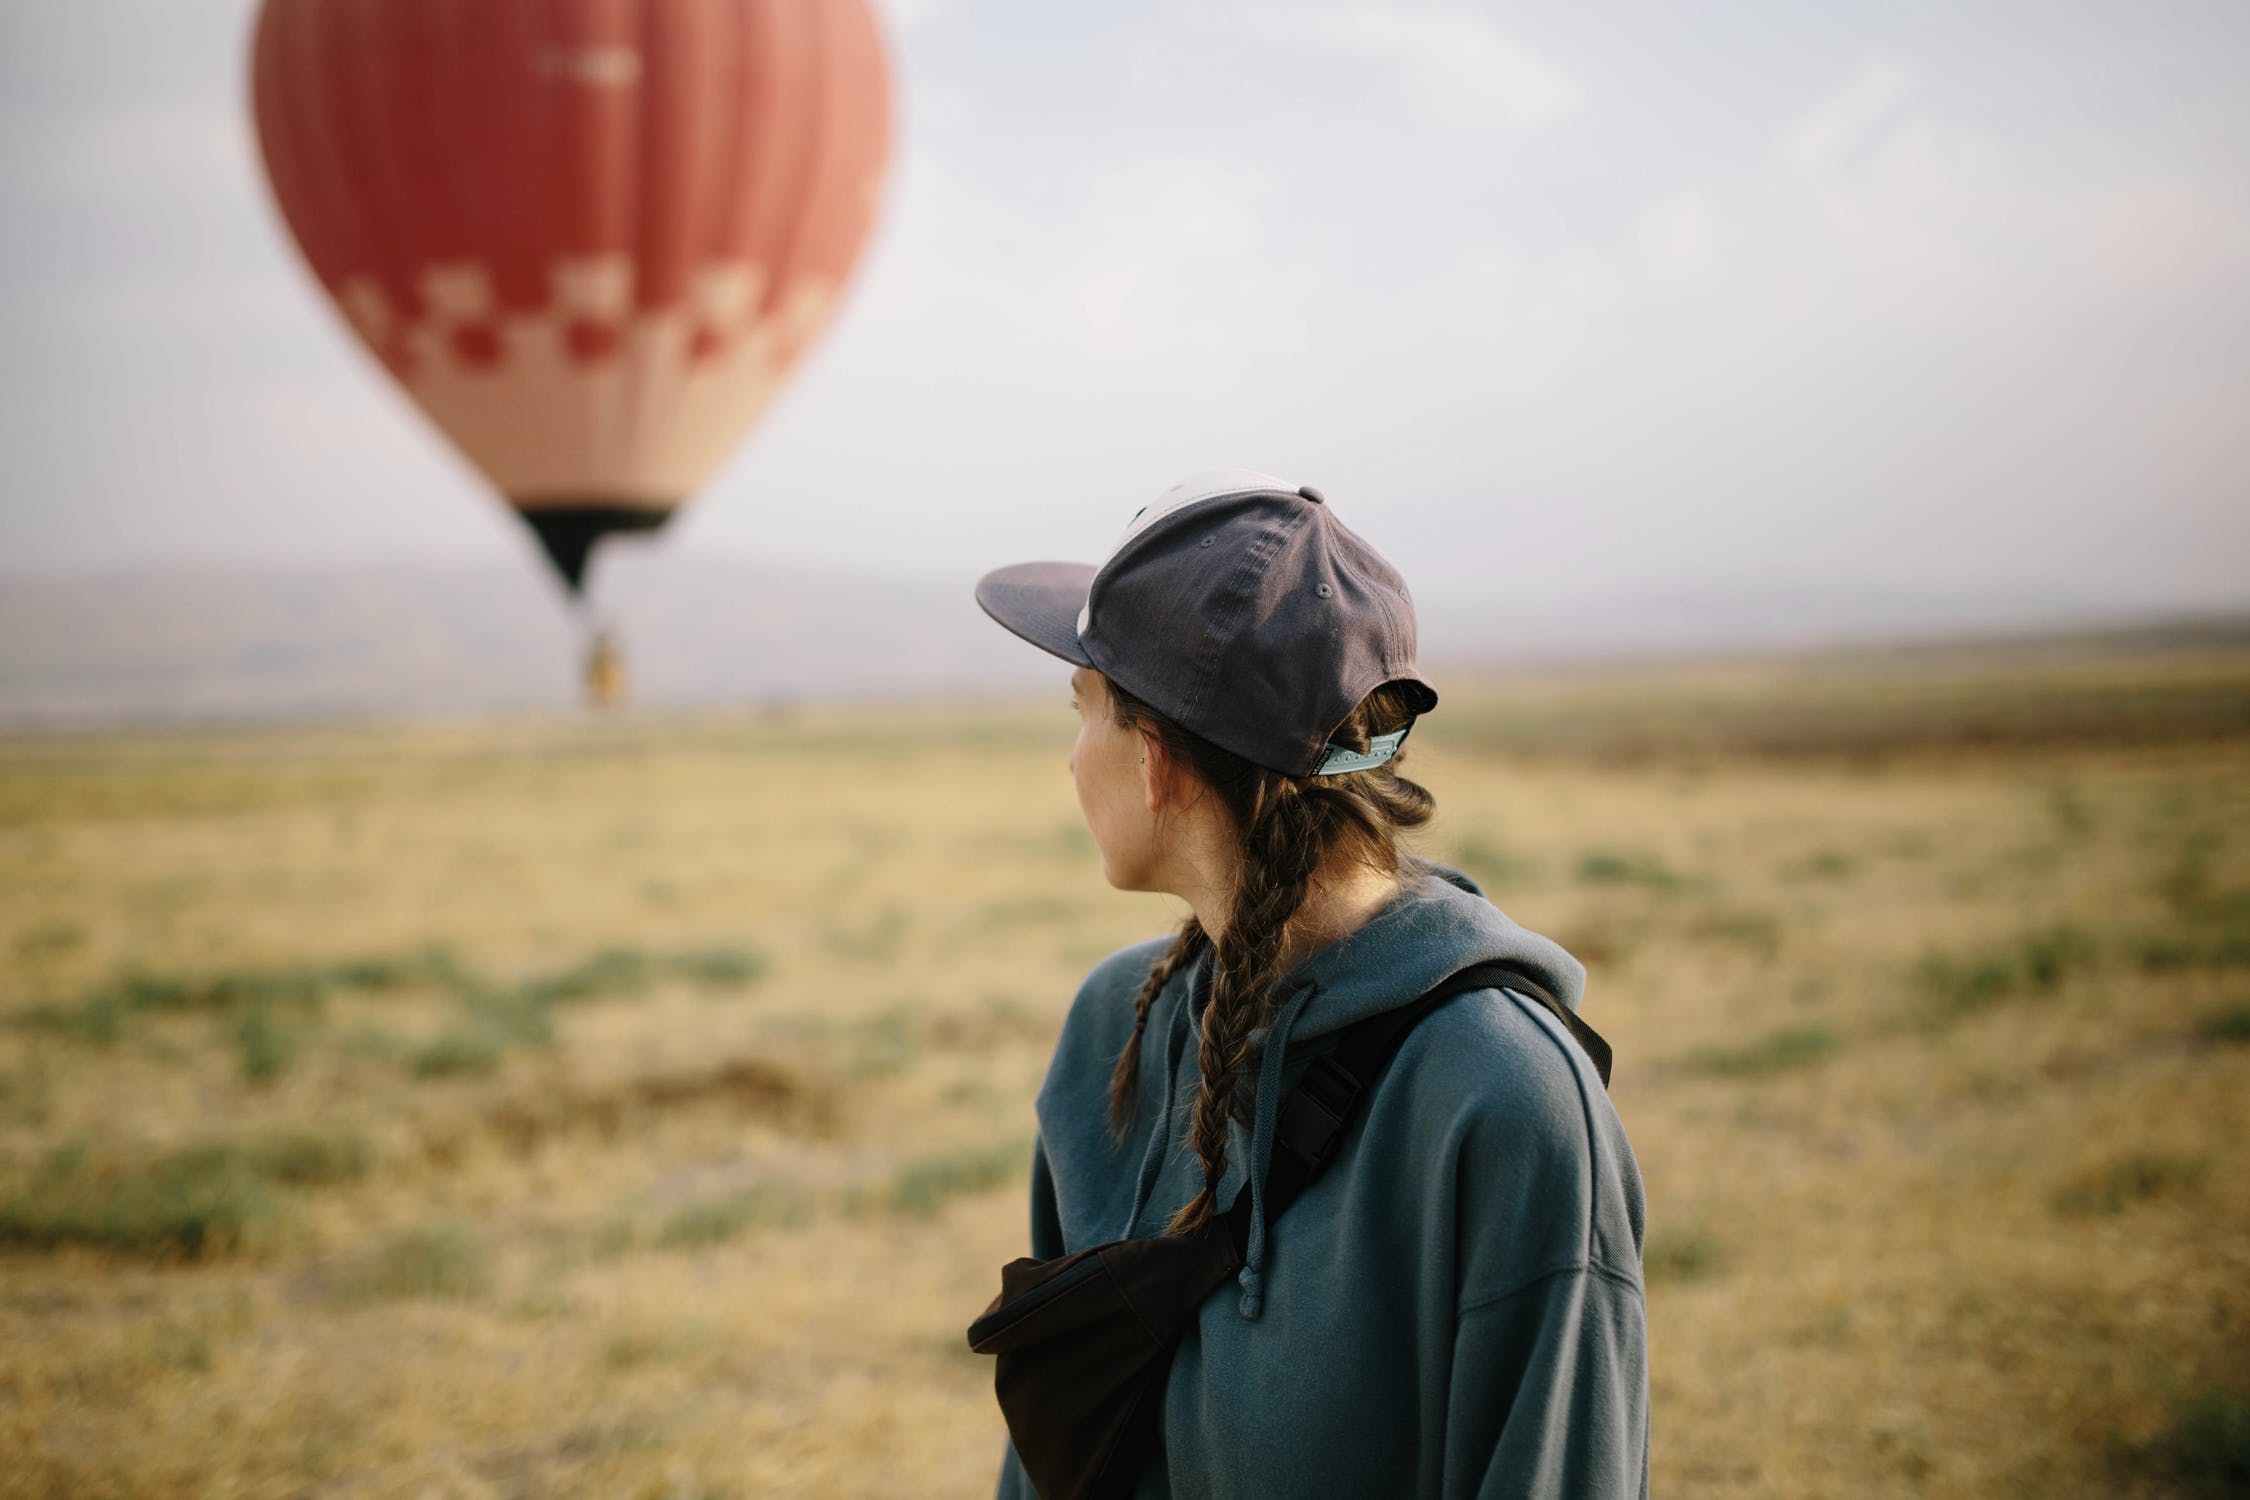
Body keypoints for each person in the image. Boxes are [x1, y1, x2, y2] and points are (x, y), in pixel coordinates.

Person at [972, 470, 1650, 1499]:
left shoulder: (1504, 1101)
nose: (1072, 762)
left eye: (1086, 709)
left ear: (1154, 760)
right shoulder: (1118, 1027)